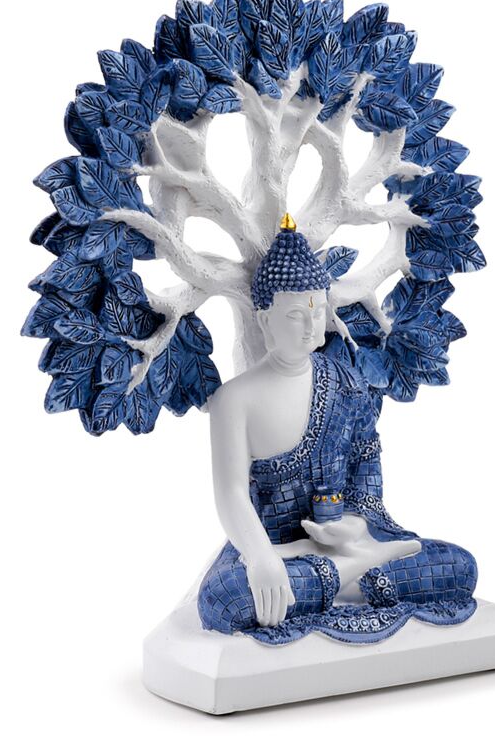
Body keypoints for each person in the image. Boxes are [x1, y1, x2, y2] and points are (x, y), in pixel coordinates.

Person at [197, 215, 477, 644]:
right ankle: (352, 577)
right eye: (295, 315)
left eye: (317, 310)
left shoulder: (347, 382)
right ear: (265, 320)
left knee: (459, 567)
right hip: (276, 550)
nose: (311, 325)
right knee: (222, 600)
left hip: (350, 541)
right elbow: (231, 493)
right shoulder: (233, 399)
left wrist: (356, 524)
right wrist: (260, 556)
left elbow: (366, 463)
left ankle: (339, 574)